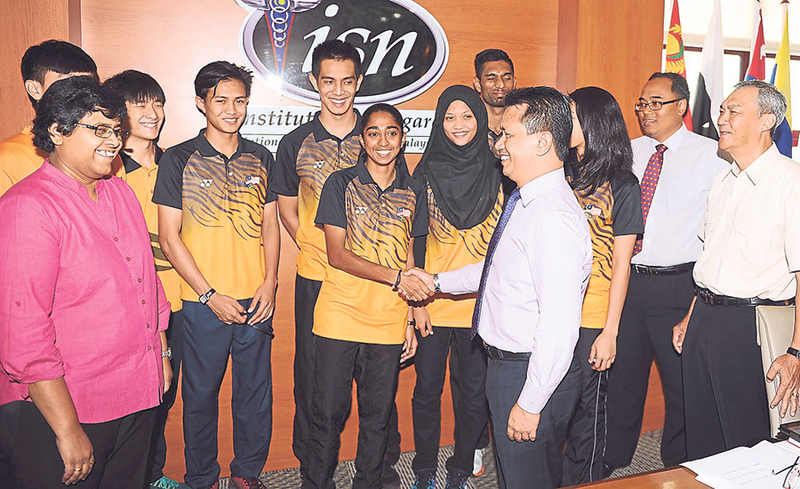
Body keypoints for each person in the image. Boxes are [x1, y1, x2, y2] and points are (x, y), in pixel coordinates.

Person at [409, 86, 592, 489]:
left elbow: (560, 326)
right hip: (509, 367)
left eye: (508, 135)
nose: (498, 145)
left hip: (531, 373)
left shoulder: (552, 218)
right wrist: (437, 282)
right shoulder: (527, 203)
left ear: (542, 141)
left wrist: (529, 403)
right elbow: (496, 270)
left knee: (529, 479)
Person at [0, 76, 171, 488]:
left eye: (117, 130)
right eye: (99, 129)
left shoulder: (119, 192)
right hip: (69, 406)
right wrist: (66, 428)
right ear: (57, 131)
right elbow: (23, 334)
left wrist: (161, 354)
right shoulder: (27, 207)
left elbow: (146, 279)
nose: (114, 141)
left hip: (137, 392)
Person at [153, 61, 279, 489]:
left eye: (240, 100)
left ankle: (247, 473)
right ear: (200, 103)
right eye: (221, 100)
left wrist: (270, 283)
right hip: (202, 304)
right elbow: (169, 238)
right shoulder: (178, 159)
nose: (232, 109)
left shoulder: (262, 156)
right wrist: (208, 295)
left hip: (254, 302)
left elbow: (270, 226)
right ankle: (201, 477)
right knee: (200, 398)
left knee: (254, 397)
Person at [603, 73, 728, 472]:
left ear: (682, 106)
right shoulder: (627, 152)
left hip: (680, 285)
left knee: (680, 381)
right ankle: (613, 458)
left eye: (656, 102)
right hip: (628, 280)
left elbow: (719, 227)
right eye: (642, 103)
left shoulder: (712, 155)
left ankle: (678, 462)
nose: (646, 111)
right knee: (621, 375)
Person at [301, 103, 426, 489]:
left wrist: (408, 318)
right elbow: (337, 255)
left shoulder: (412, 190)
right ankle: (315, 483)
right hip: (339, 316)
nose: (383, 141)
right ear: (362, 139)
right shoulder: (341, 183)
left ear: (403, 138)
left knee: (377, 418)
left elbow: (408, 253)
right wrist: (395, 278)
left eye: (391, 132)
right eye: (373, 133)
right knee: (327, 415)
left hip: (387, 322)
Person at [673, 80, 800, 459]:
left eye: (733, 111)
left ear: (767, 121)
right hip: (704, 321)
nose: (721, 119)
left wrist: (796, 351)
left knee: (747, 442)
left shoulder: (789, 182)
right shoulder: (722, 180)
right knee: (702, 436)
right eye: (722, 110)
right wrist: (690, 317)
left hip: (751, 326)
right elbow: (710, 259)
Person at [409, 85, 500, 489]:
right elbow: (413, 242)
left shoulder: (501, 170)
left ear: (480, 121)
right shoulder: (425, 173)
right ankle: (425, 470)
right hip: (434, 302)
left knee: (472, 396)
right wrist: (417, 302)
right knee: (426, 392)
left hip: (484, 308)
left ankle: (461, 470)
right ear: (439, 123)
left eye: (467, 116)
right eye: (449, 117)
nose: (459, 125)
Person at [104, 70, 188, 489]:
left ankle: (153, 473)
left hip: (184, 299)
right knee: (138, 397)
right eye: (139, 104)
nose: (152, 112)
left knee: (166, 394)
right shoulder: (110, 169)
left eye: (156, 102)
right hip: (136, 306)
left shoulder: (176, 161)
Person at [561, 87, 642, 485]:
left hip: (593, 317)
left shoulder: (623, 184)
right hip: (550, 313)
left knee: (587, 415)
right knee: (551, 409)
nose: (564, 121)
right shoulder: (557, 173)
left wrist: (610, 332)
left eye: (571, 115)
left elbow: (622, 266)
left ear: (593, 121)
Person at [0, 39, 97, 197]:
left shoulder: (104, 148)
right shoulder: (8, 157)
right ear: (35, 89)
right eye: (70, 83)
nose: (83, 94)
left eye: (89, 85)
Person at [472, 48, 516, 203]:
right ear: (478, 84)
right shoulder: (467, 134)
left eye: (507, 78)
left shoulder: (525, 133)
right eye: (491, 78)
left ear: (514, 82)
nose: (500, 85)